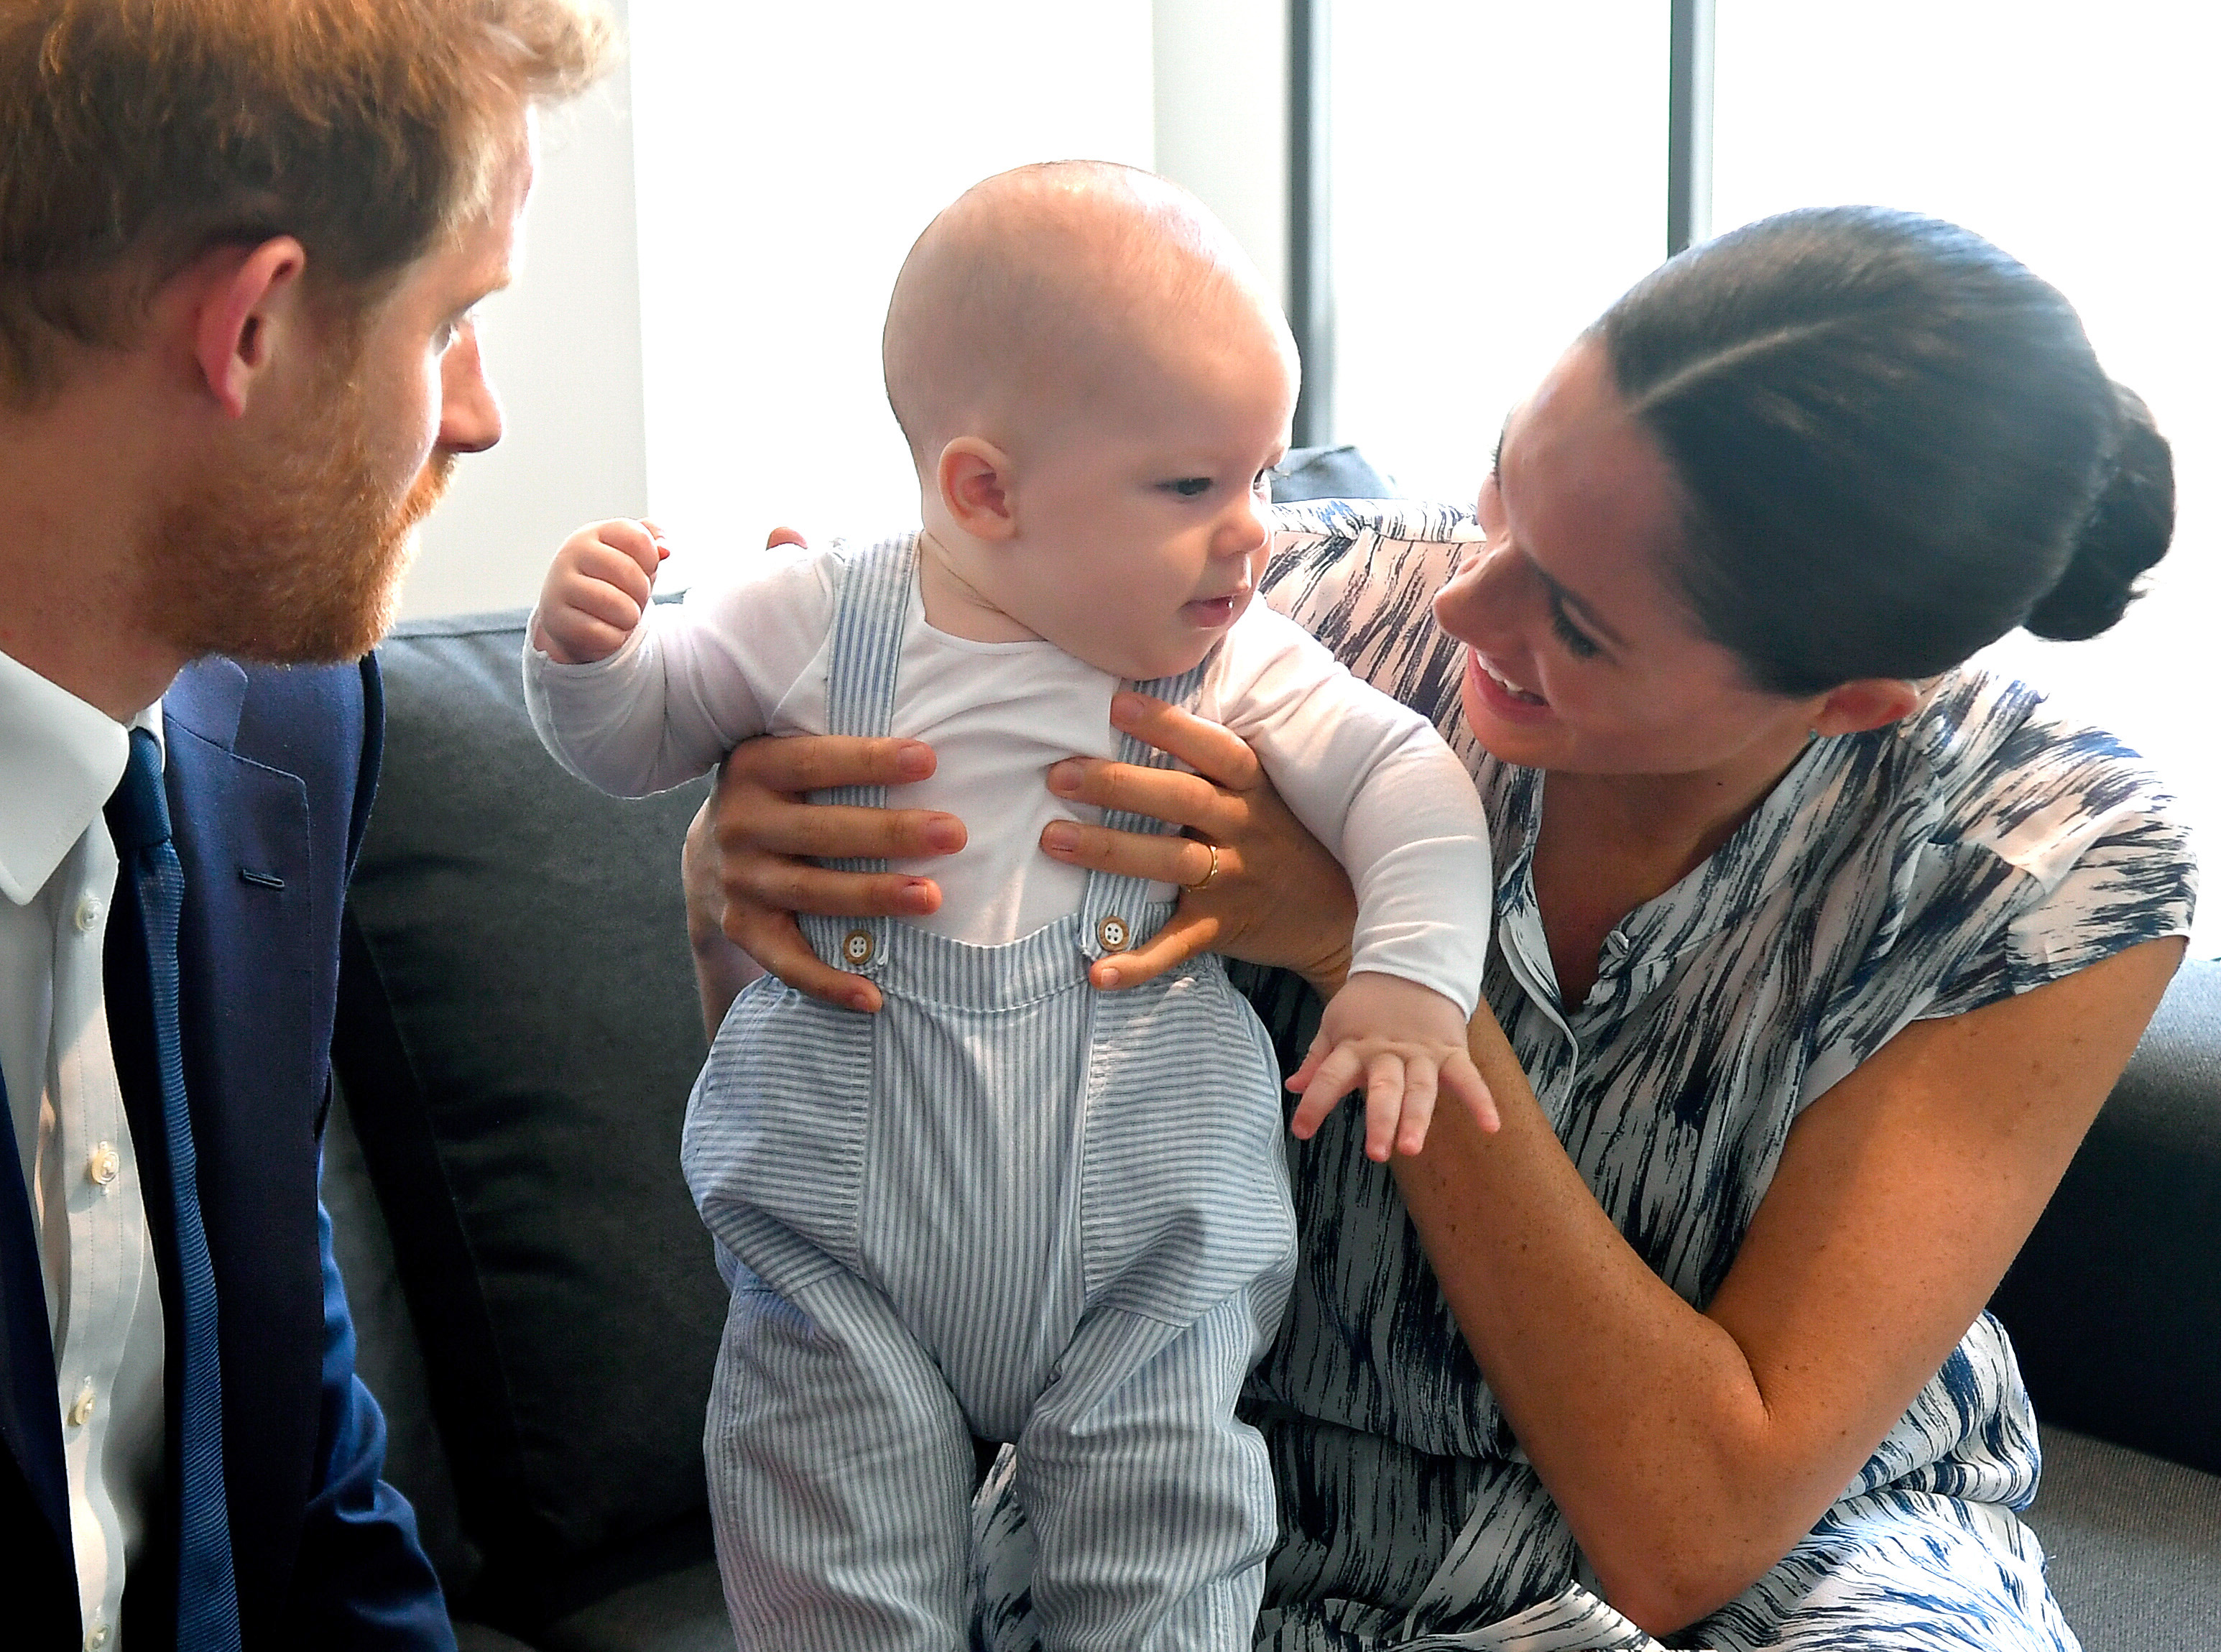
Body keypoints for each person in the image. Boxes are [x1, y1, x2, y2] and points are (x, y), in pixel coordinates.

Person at [687, 206, 2194, 1651]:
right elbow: (876, 1138)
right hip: (1222, 1498)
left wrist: (1367, 948)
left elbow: (1690, 1526)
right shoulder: (1272, 615)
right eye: (1500, 492)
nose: (1465, 607)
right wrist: (745, 889)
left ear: (1854, 695)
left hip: (1796, 1565)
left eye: (1579, 623)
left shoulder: (2045, 858)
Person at [522, 161, 1495, 1649]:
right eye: (1190, 486)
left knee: (1166, 1545)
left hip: (1145, 1238)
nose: (1252, 533)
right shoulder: (810, 615)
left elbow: (1408, 780)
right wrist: (585, 661)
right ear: (985, 488)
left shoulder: (1233, 655)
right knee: (824, 1562)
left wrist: (1409, 977)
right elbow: (633, 741)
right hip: (841, 1245)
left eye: (1262, 474)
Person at [0, 3, 614, 1646]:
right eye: (451, 323)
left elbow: (302, 1462)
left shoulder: (282, 723)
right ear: (253, 325)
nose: (473, 417)